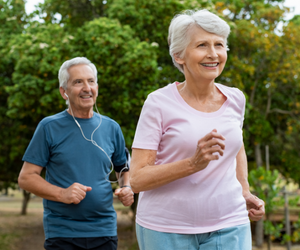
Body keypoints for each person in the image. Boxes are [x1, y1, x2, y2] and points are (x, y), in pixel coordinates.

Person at [130, 9, 265, 250]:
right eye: (202, 45)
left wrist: (244, 190)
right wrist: (192, 164)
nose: (213, 54)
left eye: (219, 45)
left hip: (230, 223)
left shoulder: (236, 99)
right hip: (165, 229)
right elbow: (137, 179)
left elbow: (236, 147)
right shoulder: (158, 103)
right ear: (179, 55)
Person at [18, 57, 134, 250]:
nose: (87, 88)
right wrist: (62, 193)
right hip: (63, 233)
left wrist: (127, 187)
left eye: (91, 81)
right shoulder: (49, 127)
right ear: (64, 92)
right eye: (78, 82)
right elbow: (26, 178)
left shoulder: (111, 127)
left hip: (105, 231)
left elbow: (122, 166)